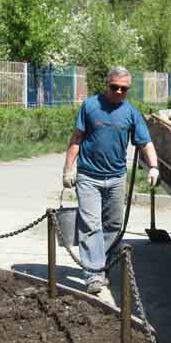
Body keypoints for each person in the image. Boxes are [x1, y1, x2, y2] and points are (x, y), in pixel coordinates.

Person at [62, 67, 159, 295]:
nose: (118, 92)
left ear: (128, 90)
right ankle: (93, 274)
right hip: (88, 176)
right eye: (114, 87)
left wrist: (154, 167)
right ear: (106, 84)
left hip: (116, 178)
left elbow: (145, 143)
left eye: (123, 89)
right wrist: (68, 169)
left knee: (113, 226)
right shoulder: (90, 106)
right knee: (90, 226)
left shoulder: (131, 113)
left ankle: (100, 264)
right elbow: (77, 138)